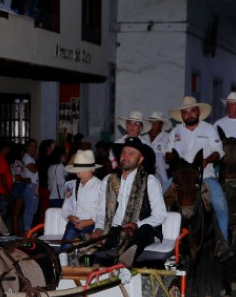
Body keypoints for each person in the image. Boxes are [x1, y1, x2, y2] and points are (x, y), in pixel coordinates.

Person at [166, 95, 230, 258]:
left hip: (204, 175)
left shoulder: (209, 129)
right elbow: (167, 153)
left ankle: (222, 243)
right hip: (180, 177)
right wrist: (173, 158)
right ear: (182, 115)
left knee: (220, 204)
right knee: (159, 199)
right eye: (185, 112)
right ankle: (159, 239)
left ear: (198, 112)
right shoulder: (175, 132)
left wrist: (207, 160)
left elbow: (218, 151)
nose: (189, 114)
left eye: (192, 111)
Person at [94, 136, 167, 264]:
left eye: (131, 153)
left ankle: (125, 260)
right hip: (117, 230)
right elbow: (101, 211)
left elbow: (160, 215)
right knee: (93, 250)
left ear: (140, 159)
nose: (125, 156)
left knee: (145, 230)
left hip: (141, 231)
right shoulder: (109, 180)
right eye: (124, 152)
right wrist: (99, 228)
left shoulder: (150, 181)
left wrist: (136, 225)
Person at [59, 150, 105, 251]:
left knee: (86, 250)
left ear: (93, 169)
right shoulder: (71, 185)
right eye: (77, 171)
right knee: (65, 246)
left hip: (92, 225)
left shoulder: (101, 186)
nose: (80, 174)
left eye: (84, 171)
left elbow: (104, 210)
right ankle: (62, 258)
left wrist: (90, 221)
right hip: (74, 224)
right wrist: (70, 217)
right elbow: (66, 206)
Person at [141, 111, 171, 191]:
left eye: (155, 123)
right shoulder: (142, 139)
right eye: (151, 123)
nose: (152, 125)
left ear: (161, 125)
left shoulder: (168, 138)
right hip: (144, 176)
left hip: (163, 176)